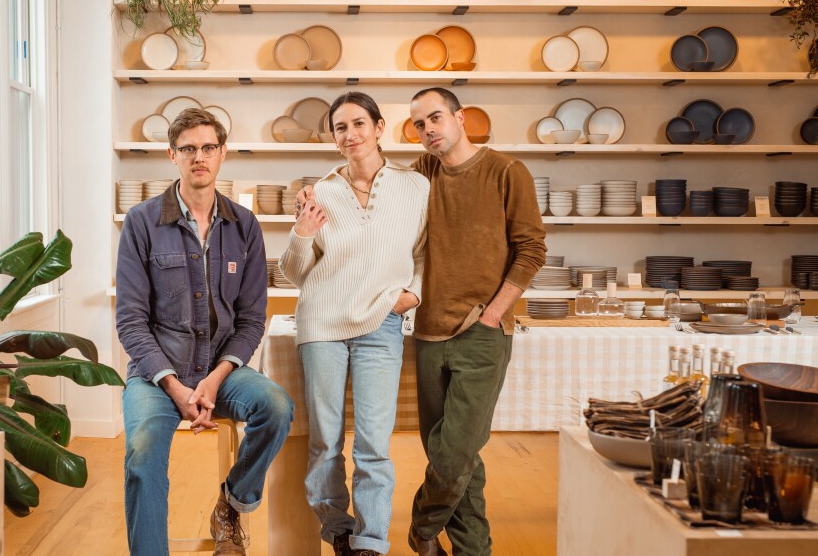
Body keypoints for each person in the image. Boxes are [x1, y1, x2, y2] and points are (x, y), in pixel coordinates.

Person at [296, 87, 547, 555]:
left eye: (436, 118)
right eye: (419, 124)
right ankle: (472, 549)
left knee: (456, 450)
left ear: (460, 117)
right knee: (451, 453)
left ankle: (420, 529)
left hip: (480, 328)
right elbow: (384, 211)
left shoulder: (505, 171)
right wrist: (313, 205)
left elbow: (532, 249)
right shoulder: (420, 174)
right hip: (428, 331)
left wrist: (493, 314)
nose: (428, 129)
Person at [116, 108, 294, 556]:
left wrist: (214, 379)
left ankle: (231, 505)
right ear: (172, 155)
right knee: (141, 453)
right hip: (156, 376)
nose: (200, 157)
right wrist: (174, 387)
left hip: (222, 371)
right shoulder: (141, 222)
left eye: (208, 147)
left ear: (222, 153)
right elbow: (130, 321)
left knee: (276, 407)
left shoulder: (244, 225)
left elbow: (251, 319)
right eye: (189, 149)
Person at [280, 91, 429, 556]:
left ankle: (370, 542)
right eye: (340, 127)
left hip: (380, 324)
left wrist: (413, 294)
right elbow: (294, 273)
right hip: (321, 324)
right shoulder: (318, 193)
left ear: (379, 128)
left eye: (359, 123)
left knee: (373, 444)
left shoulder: (415, 187)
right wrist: (301, 233)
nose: (350, 135)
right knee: (325, 442)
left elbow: (425, 252)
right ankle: (339, 532)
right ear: (333, 137)